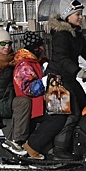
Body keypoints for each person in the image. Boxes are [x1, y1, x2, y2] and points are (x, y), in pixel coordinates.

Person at [12, 31, 73, 160]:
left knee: (68, 111)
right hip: (33, 106)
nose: (44, 49)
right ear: (36, 48)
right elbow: (29, 89)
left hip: (43, 103)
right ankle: (33, 146)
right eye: (41, 46)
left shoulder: (38, 62)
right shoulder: (24, 65)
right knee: (57, 119)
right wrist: (46, 80)